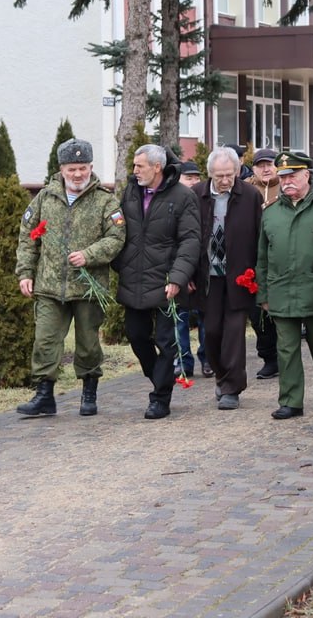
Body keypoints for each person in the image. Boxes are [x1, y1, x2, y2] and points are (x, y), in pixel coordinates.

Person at [15, 138, 126, 418]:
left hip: (88, 287)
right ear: (61, 169)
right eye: (71, 169)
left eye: (82, 168)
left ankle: (89, 392)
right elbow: (28, 237)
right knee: (45, 340)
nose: (77, 174)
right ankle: (44, 396)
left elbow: (117, 237)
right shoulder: (44, 198)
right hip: (50, 285)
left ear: (90, 167)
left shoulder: (105, 200)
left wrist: (89, 254)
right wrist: (25, 273)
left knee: (88, 344)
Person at [114, 144, 201, 419]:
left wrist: (178, 277)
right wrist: (117, 263)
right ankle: (159, 378)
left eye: (139, 165)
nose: (134, 170)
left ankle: (160, 399)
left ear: (157, 167)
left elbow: (190, 240)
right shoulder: (131, 191)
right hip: (135, 278)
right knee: (136, 335)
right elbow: (118, 229)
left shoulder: (183, 196)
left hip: (167, 280)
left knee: (166, 342)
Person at [256, 151, 313, 419]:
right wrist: (263, 292)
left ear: (308, 175)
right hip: (281, 290)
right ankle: (291, 401)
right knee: (286, 349)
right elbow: (262, 256)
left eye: (293, 175)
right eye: (283, 177)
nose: (287, 181)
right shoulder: (271, 212)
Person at [191, 147, 262, 410]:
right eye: (219, 176)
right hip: (207, 277)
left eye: (229, 175)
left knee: (234, 333)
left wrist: (257, 273)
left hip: (239, 276)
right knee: (211, 332)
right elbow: (186, 237)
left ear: (237, 171)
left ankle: (233, 387)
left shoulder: (250, 195)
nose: (224, 180)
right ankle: (222, 376)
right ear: (209, 174)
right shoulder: (196, 195)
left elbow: (259, 237)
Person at [246, 148, 281, 379]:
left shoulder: (287, 184)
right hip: (253, 259)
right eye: (260, 165)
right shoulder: (246, 189)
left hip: (281, 257)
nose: (265, 168)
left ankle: (284, 356)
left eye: (269, 164)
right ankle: (269, 357)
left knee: (280, 313)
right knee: (257, 313)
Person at [175, 160, 209, 378]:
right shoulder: (174, 203)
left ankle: (207, 359)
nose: (194, 182)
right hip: (180, 272)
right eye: (189, 178)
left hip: (204, 271)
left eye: (197, 177)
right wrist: (182, 275)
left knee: (207, 318)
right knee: (180, 319)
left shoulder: (206, 202)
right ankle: (183, 361)